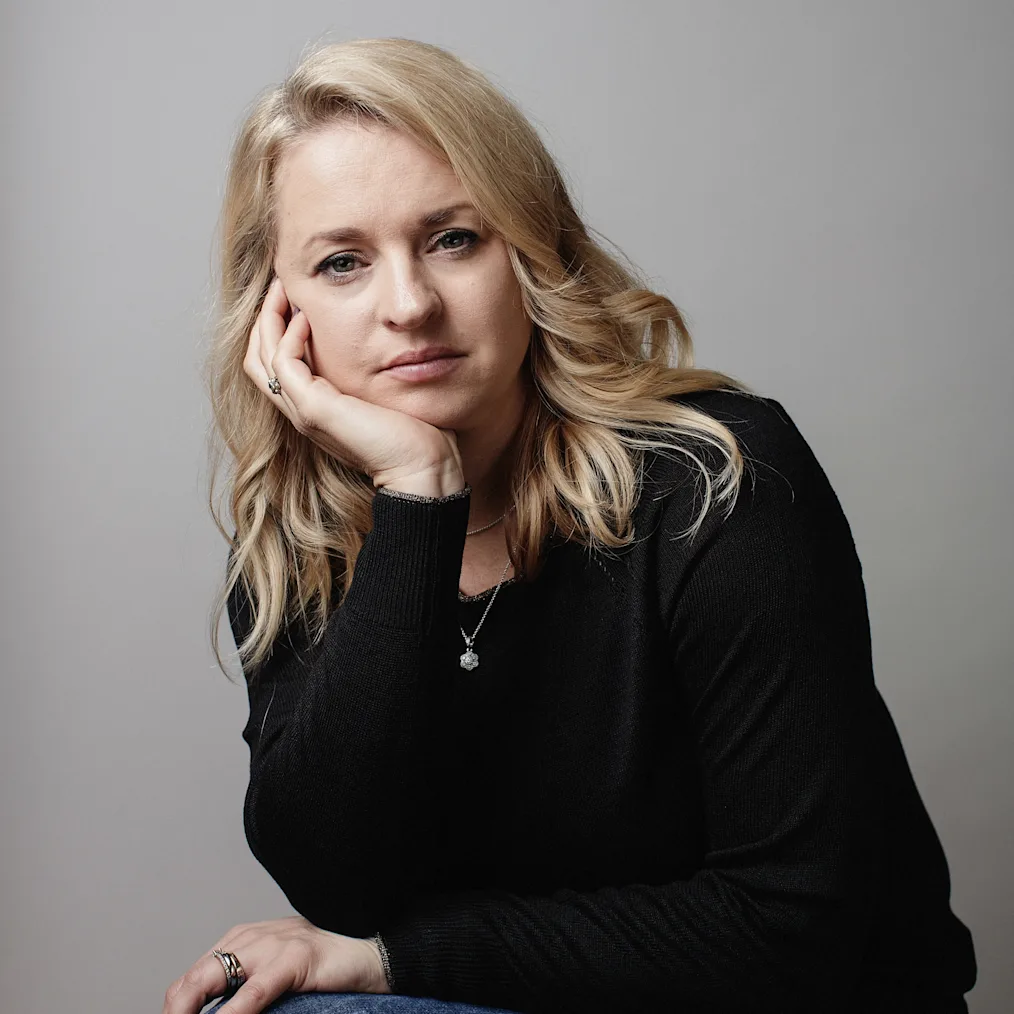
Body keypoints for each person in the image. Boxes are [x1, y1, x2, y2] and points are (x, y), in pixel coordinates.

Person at [163, 37, 977, 1014]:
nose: (410, 305)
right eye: (343, 262)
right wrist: (421, 494)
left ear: (530, 248)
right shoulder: (306, 536)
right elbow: (340, 886)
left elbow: (793, 926)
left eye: (453, 239)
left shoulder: (718, 482)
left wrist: (399, 960)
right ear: (277, 312)